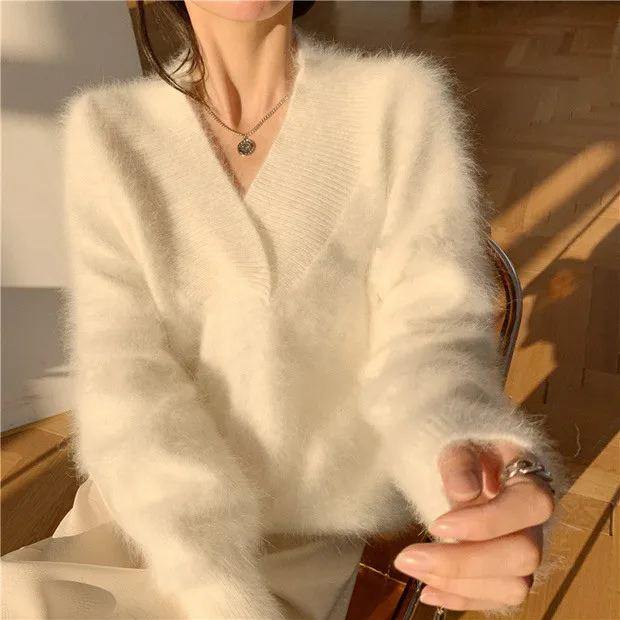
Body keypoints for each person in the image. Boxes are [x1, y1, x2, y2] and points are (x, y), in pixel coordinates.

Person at [1, 1, 569, 618]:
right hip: (141, 513)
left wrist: (461, 452)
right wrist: (208, 577)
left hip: (302, 545)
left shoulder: (398, 104)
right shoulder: (106, 127)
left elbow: (428, 337)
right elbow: (120, 365)